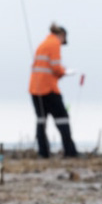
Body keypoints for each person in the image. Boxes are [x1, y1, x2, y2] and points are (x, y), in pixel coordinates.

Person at [29, 23, 79, 158]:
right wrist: (65, 72)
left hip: (35, 89)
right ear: (62, 36)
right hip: (49, 89)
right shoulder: (54, 43)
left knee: (41, 121)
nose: (62, 44)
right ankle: (70, 152)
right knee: (63, 119)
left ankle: (43, 153)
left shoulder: (43, 44)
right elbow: (56, 68)